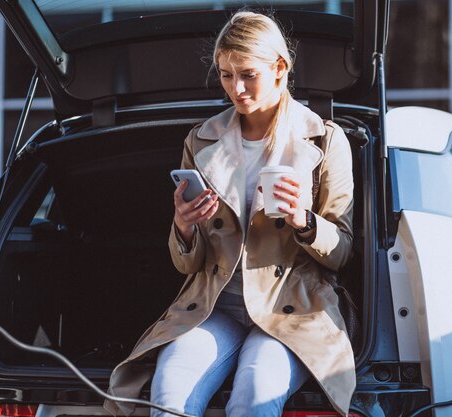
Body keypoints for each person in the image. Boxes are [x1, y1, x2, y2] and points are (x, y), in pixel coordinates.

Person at [104, 10, 355, 417]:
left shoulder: (325, 140)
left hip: (290, 308)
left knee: (254, 398)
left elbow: (343, 252)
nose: (235, 88)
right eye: (225, 75)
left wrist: (303, 221)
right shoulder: (201, 139)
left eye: (248, 74)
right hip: (214, 305)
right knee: (168, 397)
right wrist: (184, 226)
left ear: (279, 68)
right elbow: (189, 265)